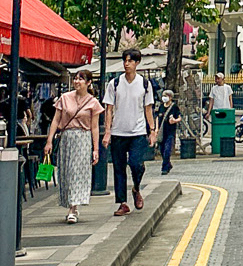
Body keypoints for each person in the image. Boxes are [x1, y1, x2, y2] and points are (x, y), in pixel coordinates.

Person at [42, 69, 102, 225]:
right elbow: (56, 120)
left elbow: (94, 127)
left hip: (83, 138)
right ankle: (70, 203)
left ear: (88, 83)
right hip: (66, 138)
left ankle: (73, 208)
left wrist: (95, 149)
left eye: (81, 79)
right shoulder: (64, 98)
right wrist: (49, 141)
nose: (77, 82)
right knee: (66, 172)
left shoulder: (93, 103)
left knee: (77, 171)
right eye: (75, 79)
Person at [105, 46, 156, 215]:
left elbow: (148, 108)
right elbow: (109, 109)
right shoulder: (115, 83)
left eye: (130, 61)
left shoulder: (144, 84)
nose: (127, 64)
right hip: (118, 132)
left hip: (138, 132)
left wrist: (152, 130)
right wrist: (107, 132)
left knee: (136, 164)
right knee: (119, 168)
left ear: (137, 63)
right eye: (125, 61)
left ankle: (136, 188)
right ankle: (123, 203)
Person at [158, 88, 182, 173]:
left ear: (170, 97)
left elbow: (179, 117)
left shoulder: (174, 107)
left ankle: (164, 168)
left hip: (170, 132)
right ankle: (168, 164)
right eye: (163, 96)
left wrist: (174, 121)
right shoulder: (161, 107)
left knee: (167, 150)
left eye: (166, 96)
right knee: (162, 150)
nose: (164, 97)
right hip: (162, 132)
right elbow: (158, 118)